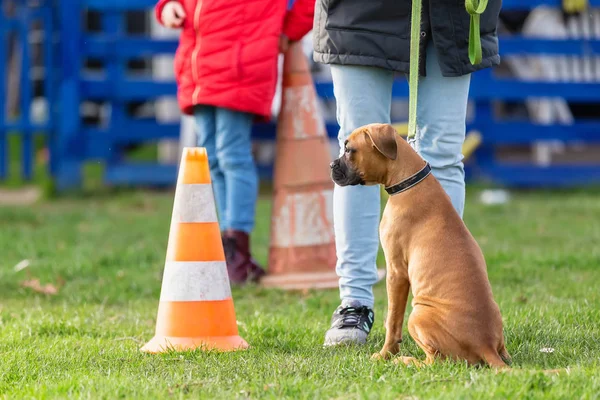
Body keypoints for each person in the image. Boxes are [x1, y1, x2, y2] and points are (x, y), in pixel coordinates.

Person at [312, 0, 502, 345]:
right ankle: (354, 301)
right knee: (355, 156)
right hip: (358, 12)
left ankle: (441, 303)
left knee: (443, 153)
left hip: (451, 14)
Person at [155, 0, 315, 284]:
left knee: (231, 154)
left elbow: (309, 5)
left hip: (239, 66)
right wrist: (168, 6)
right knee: (212, 159)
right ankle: (225, 246)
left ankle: (237, 247)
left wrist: (287, 31)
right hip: (200, 67)